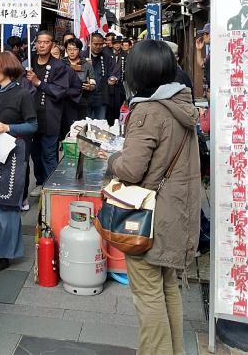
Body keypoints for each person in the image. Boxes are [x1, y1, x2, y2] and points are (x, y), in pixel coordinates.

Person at [99, 40, 200, 355]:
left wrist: (110, 157)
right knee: (168, 288)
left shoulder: (147, 110)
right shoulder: (180, 103)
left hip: (150, 219)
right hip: (176, 216)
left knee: (148, 295)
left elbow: (130, 169)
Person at [0, 52, 38, 273]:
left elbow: (33, 125)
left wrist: (9, 128)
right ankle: (6, 248)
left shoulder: (23, 94)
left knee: (7, 202)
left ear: (7, 68)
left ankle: (4, 254)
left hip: (14, 153)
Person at [26, 30, 80, 200]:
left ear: (53, 45)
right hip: (30, 116)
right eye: (39, 42)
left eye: (46, 42)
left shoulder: (59, 67)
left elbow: (60, 91)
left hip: (50, 116)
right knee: (35, 154)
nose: (41, 45)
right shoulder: (29, 63)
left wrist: (38, 82)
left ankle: (54, 186)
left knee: (49, 153)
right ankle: (41, 182)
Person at [85, 32, 119, 121]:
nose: (98, 47)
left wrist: (113, 78)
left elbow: (114, 71)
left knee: (100, 124)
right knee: (85, 125)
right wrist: (85, 66)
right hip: (85, 96)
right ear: (89, 43)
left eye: (101, 44)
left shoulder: (106, 56)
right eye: (95, 44)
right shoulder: (82, 56)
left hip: (101, 95)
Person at [64, 38, 97, 120]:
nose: (72, 52)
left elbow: (93, 81)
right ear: (66, 50)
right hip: (65, 99)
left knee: (80, 125)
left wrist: (90, 86)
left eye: (75, 49)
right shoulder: (61, 63)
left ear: (79, 50)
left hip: (82, 99)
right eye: (69, 49)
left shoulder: (86, 64)